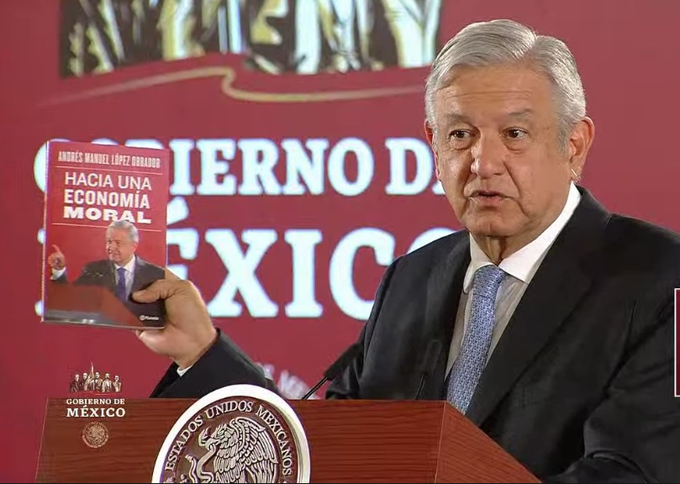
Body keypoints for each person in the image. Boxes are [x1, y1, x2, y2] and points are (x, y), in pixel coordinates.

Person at [131, 19, 680, 482]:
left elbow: (632, 472)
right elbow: (329, 453)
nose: (483, 163)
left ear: (574, 145)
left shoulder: (658, 278)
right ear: (433, 147)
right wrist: (202, 353)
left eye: (514, 134)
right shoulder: (412, 278)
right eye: (460, 135)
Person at [47, 220, 164, 322]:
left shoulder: (155, 274)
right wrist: (59, 271)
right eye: (109, 241)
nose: (111, 247)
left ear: (134, 246)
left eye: (118, 243)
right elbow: (69, 300)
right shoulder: (93, 270)